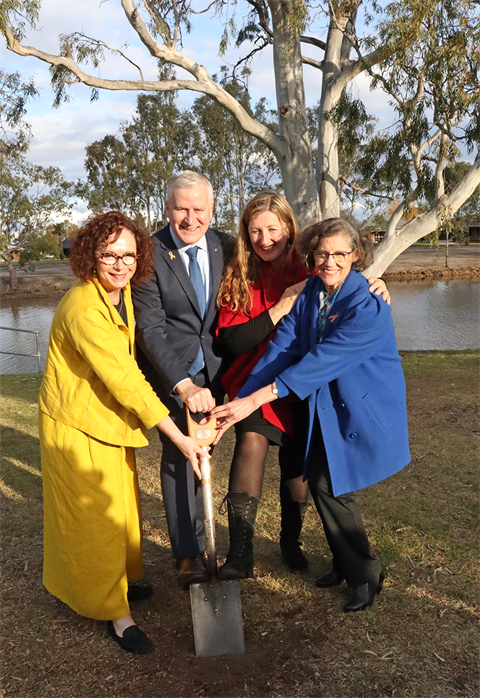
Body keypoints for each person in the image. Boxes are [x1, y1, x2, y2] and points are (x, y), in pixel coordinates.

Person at [212, 217, 410, 612]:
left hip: (360, 405)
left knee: (325, 482)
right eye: (322, 253)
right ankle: (343, 562)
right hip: (325, 406)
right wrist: (240, 403)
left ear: (357, 255)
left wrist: (253, 402)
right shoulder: (310, 294)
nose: (331, 261)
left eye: (340, 253)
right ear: (312, 255)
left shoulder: (367, 305)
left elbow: (317, 362)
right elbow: (281, 350)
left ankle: (365, 574)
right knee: (325, 480)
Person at [39, 211, 206, 654]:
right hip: (77, 424)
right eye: (108, 254)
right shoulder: (83, 308)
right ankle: (117, 616)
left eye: (128, 255)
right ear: (90, 256)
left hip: (107, 419)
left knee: (124, 511)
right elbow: (126, 379)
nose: (119, 264)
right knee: (97, 519)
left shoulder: (119, 293)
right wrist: (181, 437)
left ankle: (121, 585)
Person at [132, 171, 234, 589]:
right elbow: (150, 330)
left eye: (199, 209)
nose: (190, 218)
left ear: (211, 210)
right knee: (179, 457)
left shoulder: (227, 246)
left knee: (206, 455)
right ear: (167, 208)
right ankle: (188, 554)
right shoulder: (150, 253)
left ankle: (209, 537)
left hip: (218, 372)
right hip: (173, 375)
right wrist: (184, 385)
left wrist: (366, 279)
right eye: (181, 209)